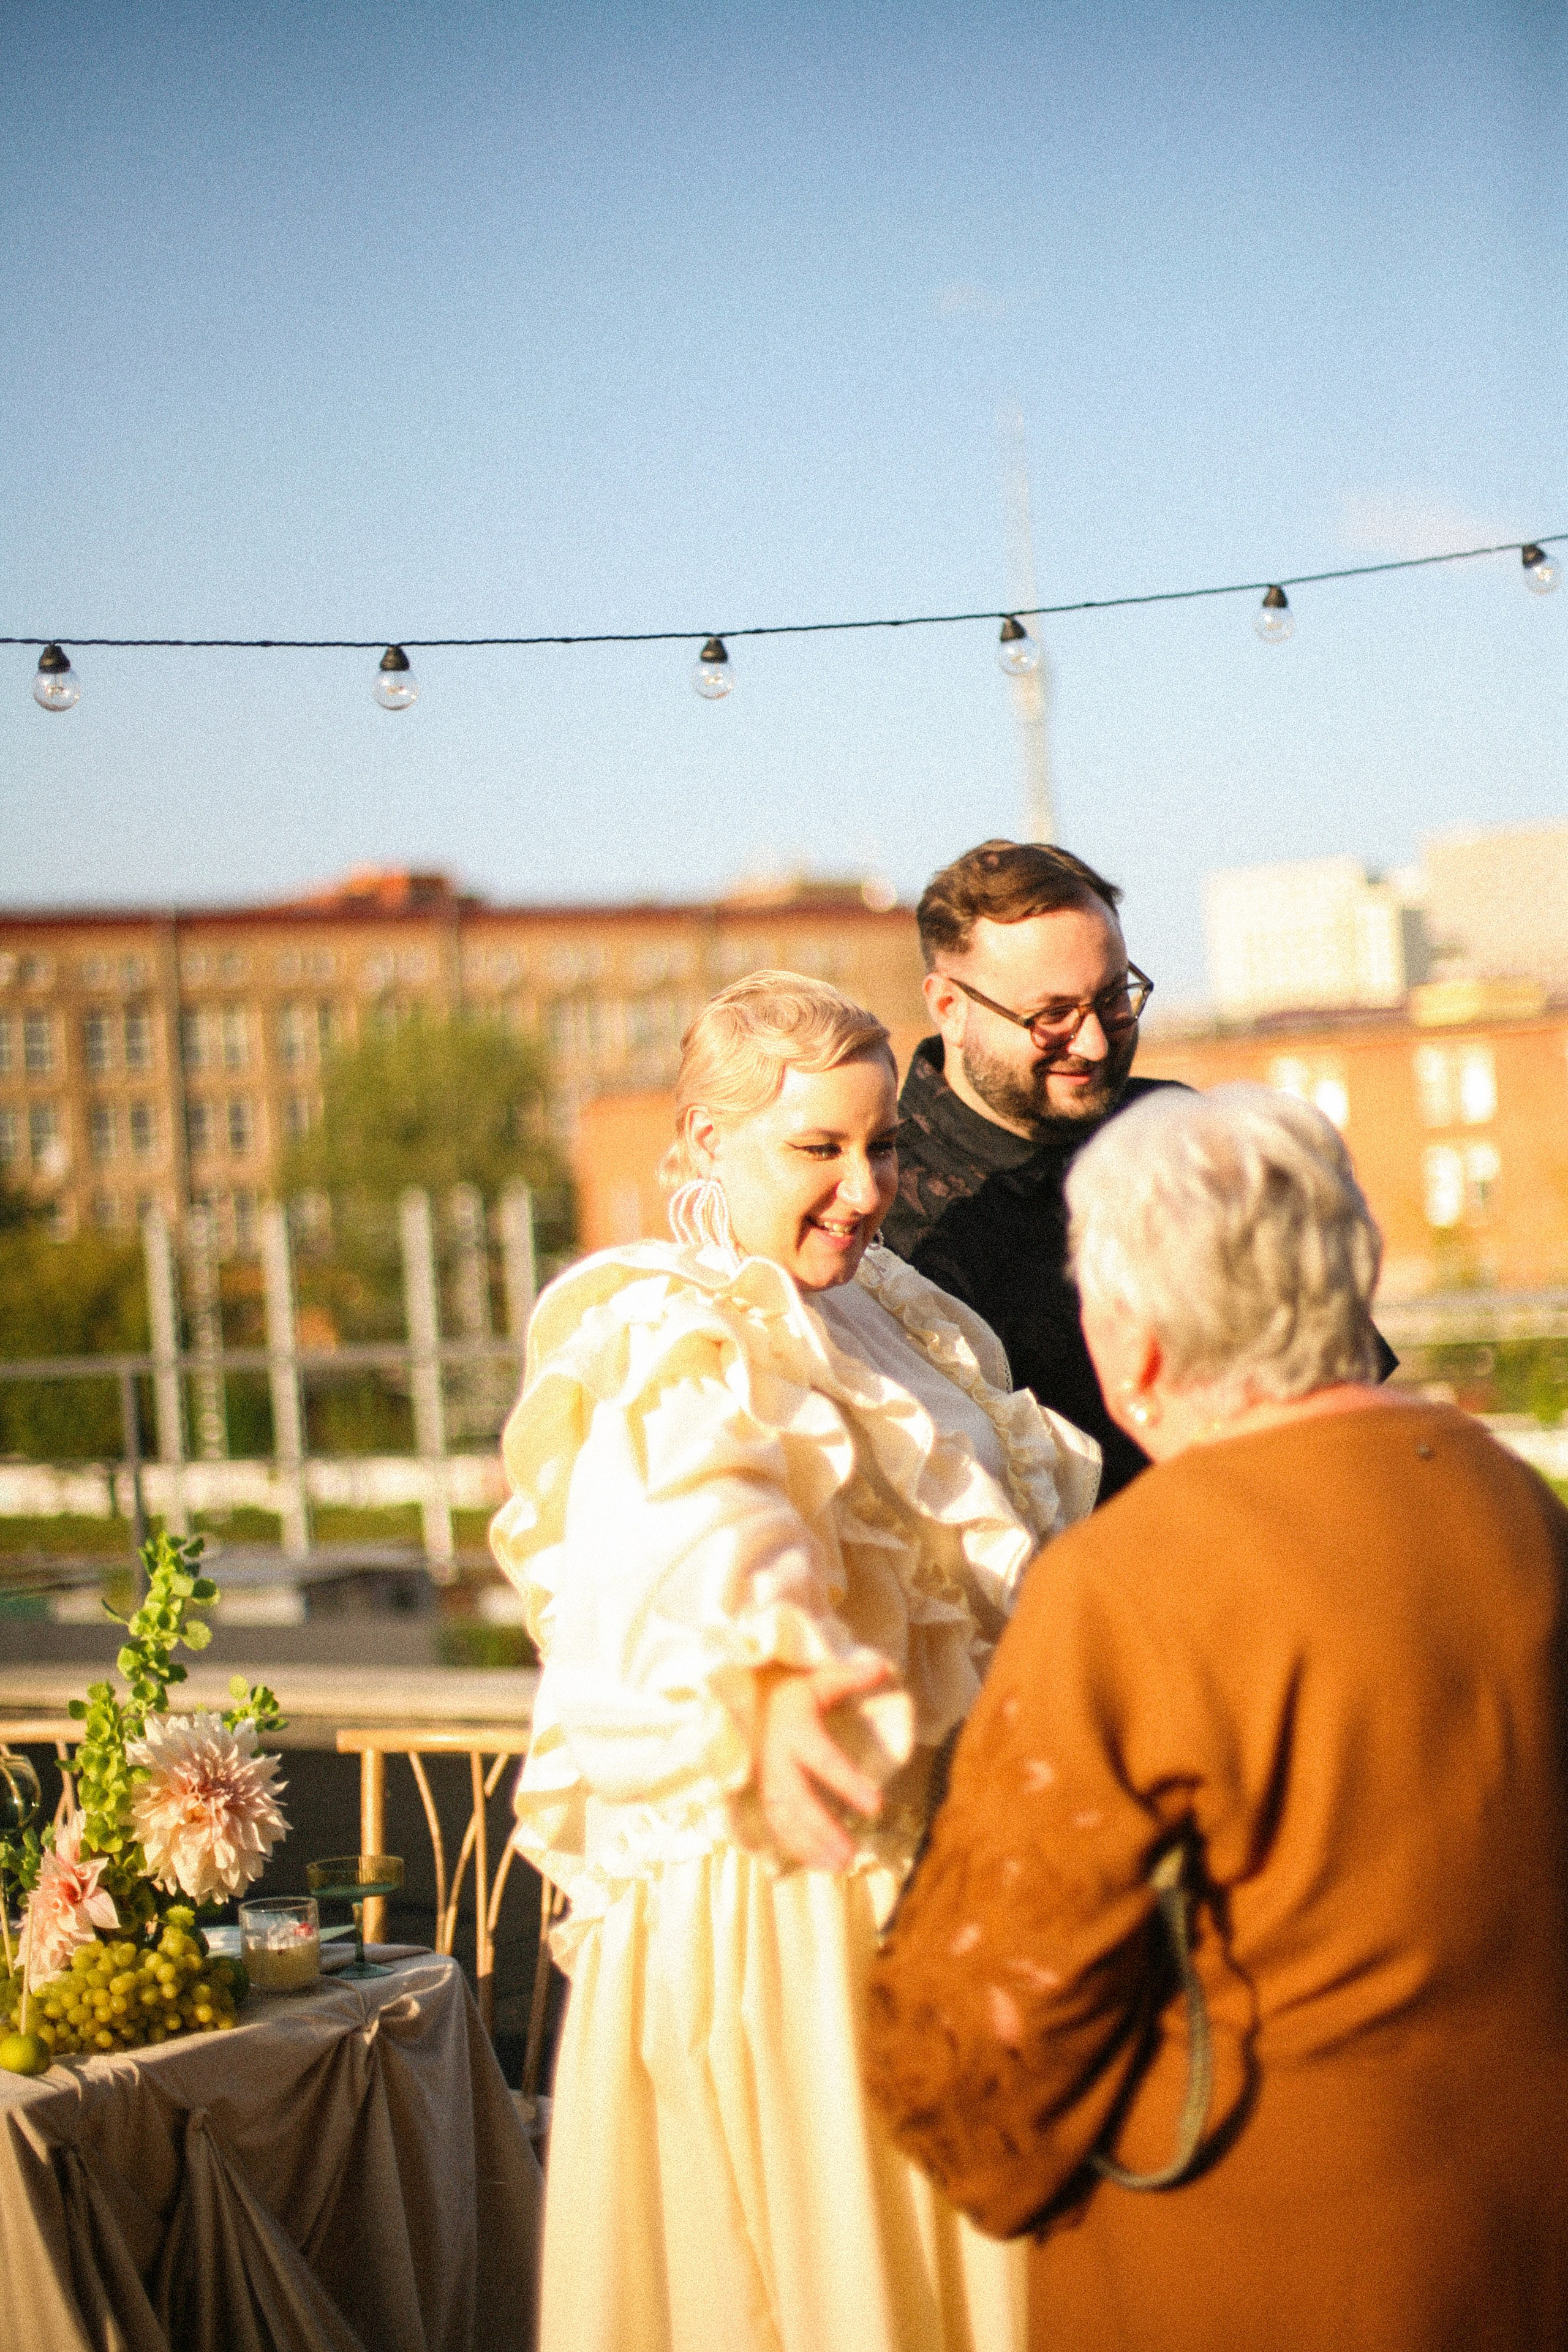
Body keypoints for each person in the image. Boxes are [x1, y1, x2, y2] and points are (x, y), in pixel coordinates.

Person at [863, 1084, 1568, 2351]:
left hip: (1255, 2257)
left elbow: (982, 2040)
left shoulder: (1126, 1579)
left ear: (1128, 1338)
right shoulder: (1509, 1503)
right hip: (1523, 2231)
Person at [491, 971, 1101, 2352]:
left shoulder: (895, 1317)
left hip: (938, 1883)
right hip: (795, 1893)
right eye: (814, 1150)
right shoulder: (671, 1328)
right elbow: (700, 1516)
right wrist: (764, 1673)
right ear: (706, 1146)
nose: (862, 1187)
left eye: (881, 1146)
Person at [879, 838, 1183, 1501]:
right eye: (1051, 1017)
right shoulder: (883, 1222)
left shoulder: (1187, 1142)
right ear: (949, 1007)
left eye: (1113, 1000)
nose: (1095, 1042)